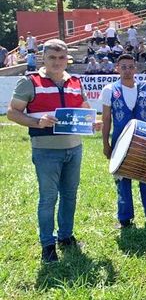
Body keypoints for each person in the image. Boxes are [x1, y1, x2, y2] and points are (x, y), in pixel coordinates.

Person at [7, 39, 102, 263]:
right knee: (48, 198)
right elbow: (12, 113)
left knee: (70, 196)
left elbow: (83, 110)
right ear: (43, 58)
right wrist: (36, 122)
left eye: (61, 58)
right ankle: (47, 245)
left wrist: (93, 123)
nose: (57, 62)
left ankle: (66, 237)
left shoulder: (76, 82)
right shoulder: (30, 82)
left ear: (66, 59)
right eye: (52, 57)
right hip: (46, 150)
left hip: (74, 148)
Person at [101, 54, 146, 229]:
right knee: (122, 181)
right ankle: (125, 218)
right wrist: (105, 144)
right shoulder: (110, 90)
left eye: (130, 67)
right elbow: (106, 119)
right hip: (120, 141)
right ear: (117, 68)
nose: (127, 70)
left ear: (136, 68)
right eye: (123, 67)